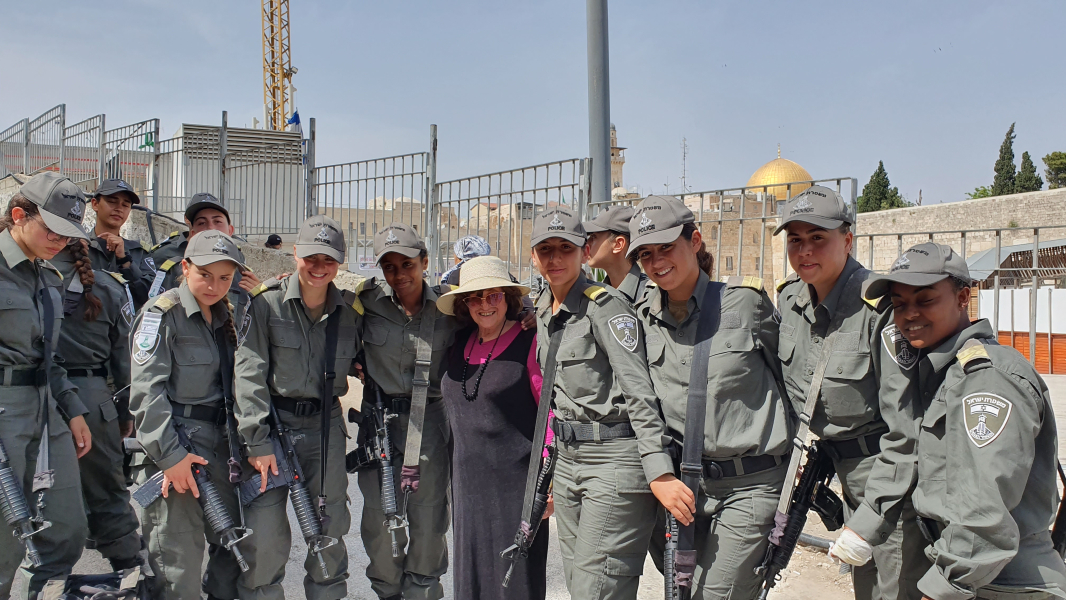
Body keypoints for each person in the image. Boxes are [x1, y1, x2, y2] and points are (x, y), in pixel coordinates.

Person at [856, 243, 1066, 599]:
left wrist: (943, 587)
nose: (909, 314)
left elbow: (985, 514)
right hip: (971, 573)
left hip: (1002, 583)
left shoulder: (986, 380)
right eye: (899, 304)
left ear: (963, 297)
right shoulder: (938, 373)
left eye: (925, 300)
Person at [627, 195, 791, 598]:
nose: (656, 262)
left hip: (750, 484)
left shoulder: (746, 303)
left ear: (695, 241)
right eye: (646, 254)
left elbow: (789, 378)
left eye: (666, 247)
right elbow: (639, 400)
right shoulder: (643, 316)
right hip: (683, 489)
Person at [773, 185, 928, 600]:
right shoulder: (790, 300)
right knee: (866, 588)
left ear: (847, 240)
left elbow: (908, 429)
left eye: (817, 238)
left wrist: (872, 514)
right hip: (833, 465)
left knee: (893, 589)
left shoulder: (880, 308)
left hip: (889, 477)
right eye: (795, 240)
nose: (805, 250)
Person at [529, 207, 686, 600]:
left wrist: (659, 471)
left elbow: (639, 392)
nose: (554, 258)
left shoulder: (605, 307)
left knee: (597, 590)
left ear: (584, 253)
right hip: (568, 462)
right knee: (579, 584)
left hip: (613, 461)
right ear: (533, 256)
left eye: (565, 248)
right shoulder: (542, 309)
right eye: (545, 249)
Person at [234, 215, 360, 599]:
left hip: (326, 428)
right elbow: (249, 374)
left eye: (329, 259)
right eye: (311, 257)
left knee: (329, 529)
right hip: (275, 428)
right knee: (264, 535)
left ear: (340, 261)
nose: (319, 267)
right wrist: (256, 441)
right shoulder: (266, 303)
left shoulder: (351, 311)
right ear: (294, 254)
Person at [129, 230, 252, 600]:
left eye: (225, 278)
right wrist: (171, 457)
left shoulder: (227, 316)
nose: (214, 286)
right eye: (205, 275)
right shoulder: (161, 315)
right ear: (185, 268)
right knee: (176, 564)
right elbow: (146, 393)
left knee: (233, 546)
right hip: (176, 447)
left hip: (222, 448)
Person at [354, 222, 460, 600]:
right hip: (377, 423)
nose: (399, 274)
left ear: (425, 262)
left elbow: (495, 314)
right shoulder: (365, 301)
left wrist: (525, 312)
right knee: (379, 521)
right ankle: (388, 592)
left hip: (429, 422)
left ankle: (423, 592)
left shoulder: (450, 306)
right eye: (389, 267)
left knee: (429, 519)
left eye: (407, 264)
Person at [0, 172, 92, 597]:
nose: (60, 241)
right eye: (52, 229)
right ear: (19, 215)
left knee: (66, 529)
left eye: (67, 233)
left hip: (46, 410)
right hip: (4, 412)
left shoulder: (48, 276)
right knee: (4, 537)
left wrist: (72, 410)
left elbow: (49, 356)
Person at [436, 256, 549, 600]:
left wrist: (549, 485)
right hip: (468, 486)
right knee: (473, 579)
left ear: (509, 298)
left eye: (494, 295)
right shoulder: (460, 341)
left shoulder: (530, 341)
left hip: (517, 489)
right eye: (475, 297)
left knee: (514, 583)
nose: (485, 305)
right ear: (464, 303)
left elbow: (550, 414)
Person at [52, 239, 143, 572]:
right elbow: (125, 359)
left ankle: (48, 574)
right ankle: (127, 563)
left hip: (37, 393)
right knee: (107, 489)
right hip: (93, 396)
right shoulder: (108, 286)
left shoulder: (30, 278)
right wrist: (125, 413)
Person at [86, 178, 154, 307]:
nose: (119, 209)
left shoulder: (139, 252)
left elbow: (149, 296)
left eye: (125, 205)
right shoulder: (79, 246)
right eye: (112, 202)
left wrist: (125, 261)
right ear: (95, 204)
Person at [582, 205, 648, 305]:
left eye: (594, 237)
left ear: (618, 244)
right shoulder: (597, 293)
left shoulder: (649, 295)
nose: (587, 243)